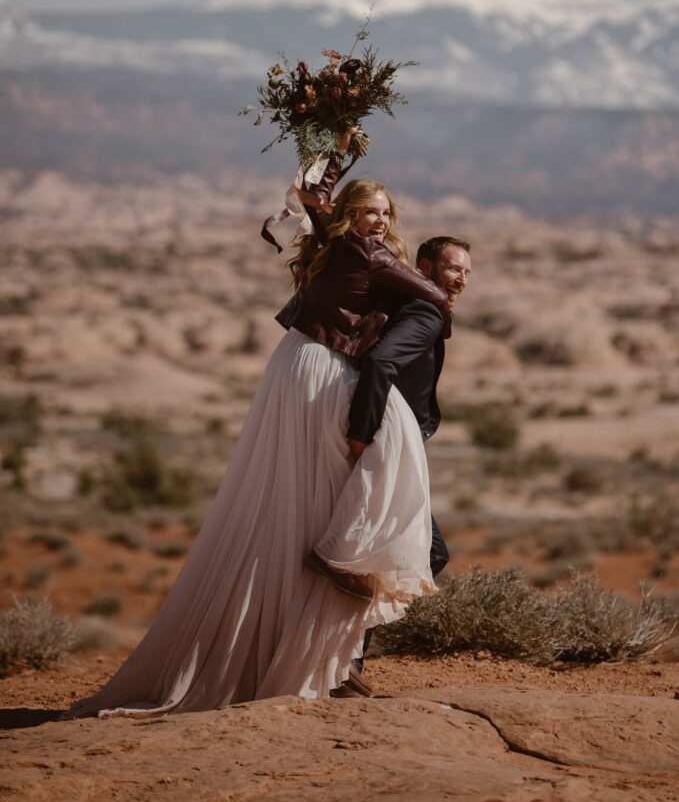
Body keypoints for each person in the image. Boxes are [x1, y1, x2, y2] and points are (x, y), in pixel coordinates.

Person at [60, 144, 449, 718]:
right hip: (323, 367)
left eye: (387, 214)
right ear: (353, 215)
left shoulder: (328, 238)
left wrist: (339, 147)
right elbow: (437, 297)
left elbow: (315, 193)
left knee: (294, 495)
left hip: (293, 365)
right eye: (372, 212)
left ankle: (323, 633)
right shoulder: (368, 254)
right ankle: (342, 574)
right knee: (370, 470)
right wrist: (420, 293)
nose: (381, 222)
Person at [342, 236, 472, 693]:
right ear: (426, 266)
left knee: (377, 550)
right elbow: (380, 364)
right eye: (454, 268)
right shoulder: (426, 311)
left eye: (466, 273)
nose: (461, 279)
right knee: (425, 551)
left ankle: (345, 659)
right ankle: (346, 659)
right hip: (385, 449)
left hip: (391, 445)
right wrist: (362, 437)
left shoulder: (411, 303)